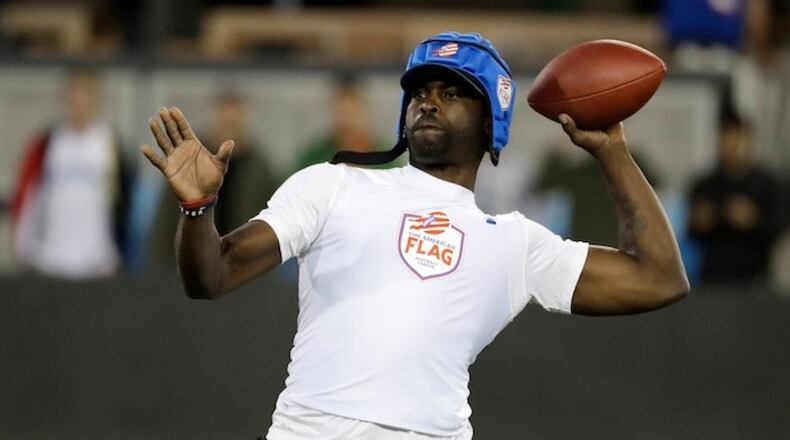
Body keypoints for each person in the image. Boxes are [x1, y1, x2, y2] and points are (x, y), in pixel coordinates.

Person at [141, 32, 688, 440]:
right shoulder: (333, 185)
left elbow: (659, 277)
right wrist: (198, 208)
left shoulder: (513, 242)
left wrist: (612, 152)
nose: (428, 100)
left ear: (493, 121)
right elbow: (211, 276)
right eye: (420, 91)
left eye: (452, 92)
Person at [10, 67, 131, 279]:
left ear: (97, 99)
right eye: (73, 96)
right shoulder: (47, 143)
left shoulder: (110, 145)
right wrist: (27, 251)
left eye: (86, 95)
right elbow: (27, 197)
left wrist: (121, 253)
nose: (79, 104)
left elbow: (124, 201)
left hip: (98, 264)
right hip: (50, 262)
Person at [148, 91, 277, 267]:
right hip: (190, 269)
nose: (229, 120)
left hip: (242, 271)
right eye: (223, 114)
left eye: (235, 115)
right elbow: (164, 225)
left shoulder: (259, 166)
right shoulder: (189, 161)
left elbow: (270, 227)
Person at [687, 115, 783, 288]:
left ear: (748, 140)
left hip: (755, 281)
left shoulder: (768, 185)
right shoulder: (704, 185)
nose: (731, 146)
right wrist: (700, 223)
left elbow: (778, 227)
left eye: (737, 138)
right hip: (712, 281)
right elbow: (690, 233)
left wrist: (753, 221)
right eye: (726, 138)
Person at [293, 75, 388, 170]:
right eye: (341, 109)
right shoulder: (313, 157)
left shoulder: (386, 155)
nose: (347, 117)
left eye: (352, 109)